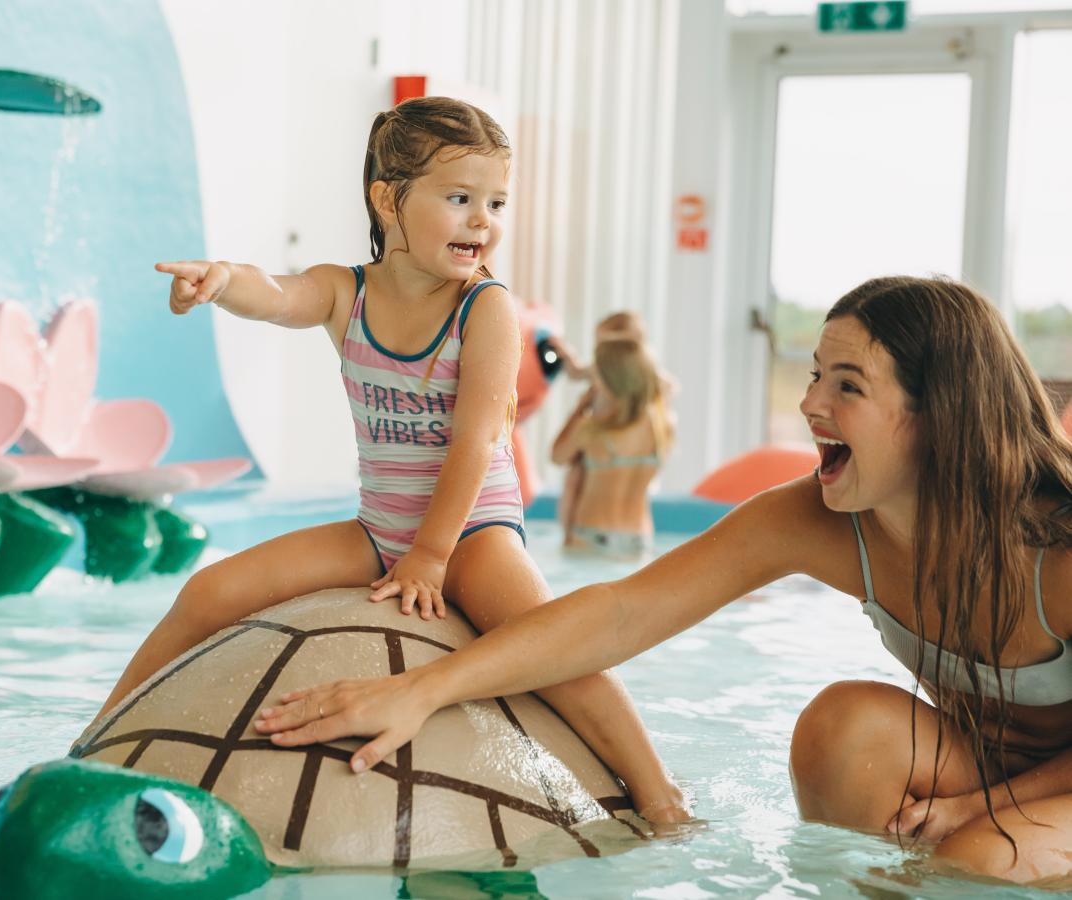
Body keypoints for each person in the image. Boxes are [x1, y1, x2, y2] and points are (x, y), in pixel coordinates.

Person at [256, 275, 1072, 885]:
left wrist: (972, 811)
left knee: (976, 861)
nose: (810, 403)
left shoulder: (1057, 547)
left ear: (942, 415)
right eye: (815, 373)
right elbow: (619, 613)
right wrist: (426, 689)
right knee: (843, 726)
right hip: (976, 757)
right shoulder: (816, 520)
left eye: (847, 386)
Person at [86, 96, 688, 824]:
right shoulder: (348, 292)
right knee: (206, 594)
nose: (482, 221)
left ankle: (661, 797)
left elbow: (476, 444)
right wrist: (221, 282)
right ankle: (91, 748)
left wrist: (432, 555)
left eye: (496, 202)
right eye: (459, 198)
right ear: (388, 198)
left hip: (470, 532)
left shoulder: (485, 309)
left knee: (557, 649)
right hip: (377, 532)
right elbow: (279, 294)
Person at [552, 331, 674, 557]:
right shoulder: (663, 427)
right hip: (640, 538)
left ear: (608, 381)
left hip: (593, 535)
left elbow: (557, 456)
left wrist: (580, 408)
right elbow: (665, 387)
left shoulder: (592, 431)